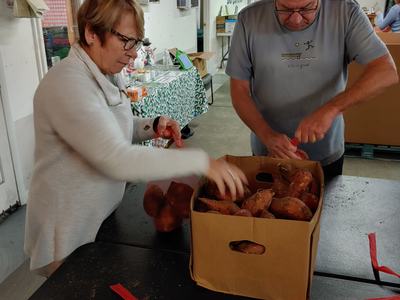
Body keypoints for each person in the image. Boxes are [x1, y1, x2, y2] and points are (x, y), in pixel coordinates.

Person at [24, 0, 248, 278]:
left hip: (100, 219)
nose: (132, 55)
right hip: (69, 230)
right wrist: (200, 162)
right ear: (92, 32)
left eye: (137, 43)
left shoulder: (106, 72)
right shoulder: (67, 84)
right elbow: (115, 158)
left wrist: (150, 126)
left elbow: (108, 127)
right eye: (126, 41)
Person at [226, 0, 398, 181]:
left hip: (325, 153)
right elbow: (239, 90)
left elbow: (386, 71)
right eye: (284, 10)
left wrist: (332, 108)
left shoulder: (345, 13)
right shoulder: (249, 19)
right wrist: (266, 135)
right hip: (268, 152)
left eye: (307, 8)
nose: (296, 19)